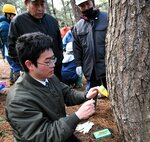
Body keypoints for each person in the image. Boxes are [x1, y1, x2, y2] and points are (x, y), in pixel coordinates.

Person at [6, 32, 99, 142]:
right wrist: (77, 116)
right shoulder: (18, 101)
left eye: (53, 59)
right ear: (29, 64)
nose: (53, 64)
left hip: (60, 130)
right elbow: (43, 136)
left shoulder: (48, 77)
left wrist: (85, 95)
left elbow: (66, 93)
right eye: (47, 61)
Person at [8, 0, 63, 81]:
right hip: (34, 73)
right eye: (36, 4)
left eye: (42, 4)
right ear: (26, 3)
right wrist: (27, 68)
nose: (40, 8)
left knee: (57, 90)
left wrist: (59, 58)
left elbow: (59, 43)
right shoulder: (18, 22)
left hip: (55, 69)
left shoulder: (52, 21)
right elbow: (12, 49)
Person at [72, 0, 108, 90]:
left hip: (107, 67)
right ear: (79, 8)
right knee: (91, 98)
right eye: (82, 6)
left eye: (88, 4)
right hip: (90, 70)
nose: (86, 7)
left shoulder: (107, 18)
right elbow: (77, 48)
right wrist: (78, 64)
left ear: (92, 2)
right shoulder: (78, 27)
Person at [0, 4, 22, 84]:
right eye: (13, 15)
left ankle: (12, 81)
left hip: (7, 51)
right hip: (9, 51)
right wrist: (14, 52)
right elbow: (8, 42)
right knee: (16, 67)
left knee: (13, 66)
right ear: (8, 14)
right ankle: (17, 85)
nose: (14, 16)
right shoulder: (5, 26)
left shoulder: (5, 23)